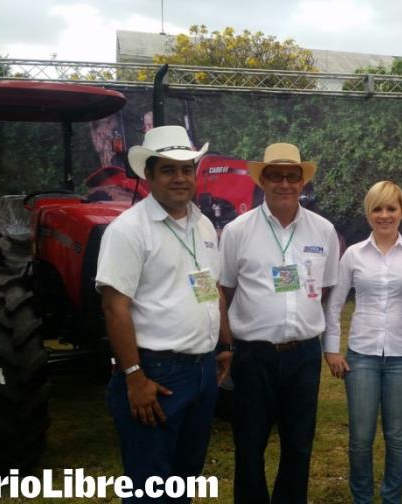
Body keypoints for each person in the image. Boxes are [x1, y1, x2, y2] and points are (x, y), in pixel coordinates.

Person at [96, 125, 232, 503]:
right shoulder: (128, 230)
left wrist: (224, 343)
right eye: (169, 169)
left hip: (203, 372)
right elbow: (114, 306)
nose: (180, 177)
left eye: (187, 168)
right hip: (156, 373)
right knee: (149, 490)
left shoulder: (202, 224)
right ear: (150, 175)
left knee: (183, 483)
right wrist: (134, 378)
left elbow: (209, 285)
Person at [218, 142, 340, 503]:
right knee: (249, 444)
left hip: (303, 356)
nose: (284, 183)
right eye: (275, 176)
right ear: (263, 181)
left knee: (299, 445)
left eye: (292, 176)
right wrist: (225, 346)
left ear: (302, 182)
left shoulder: (324, 231)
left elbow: (329, 289)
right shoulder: (238, 231)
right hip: (253, 356)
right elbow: (222, 293)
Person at [323, 181, 402, 504]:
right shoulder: (353, 255)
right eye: (377, 208)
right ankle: (362, 499)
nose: (384, 215)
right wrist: (331, 349)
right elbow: (334, 304)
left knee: (397, 437)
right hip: (361, 357)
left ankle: (392, 498)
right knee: (360, 438)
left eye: (391, 208)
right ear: (368, 212)